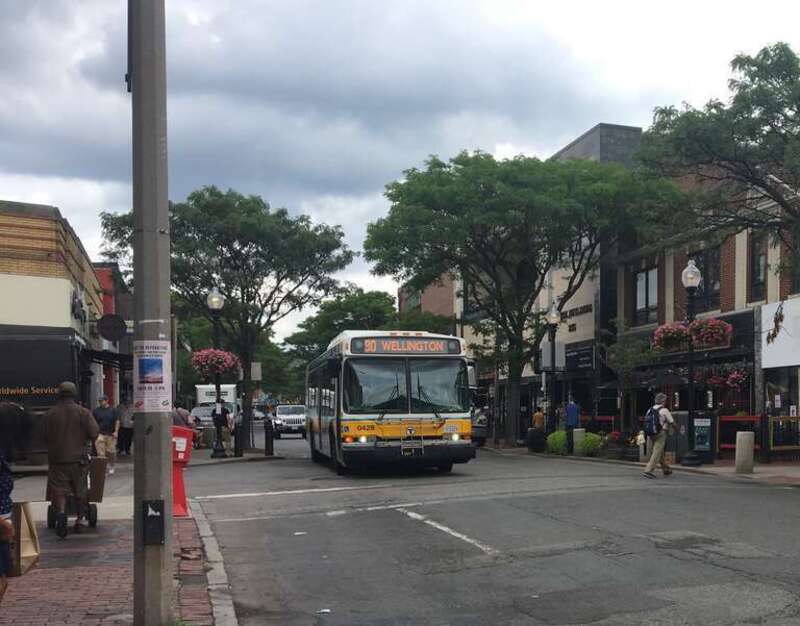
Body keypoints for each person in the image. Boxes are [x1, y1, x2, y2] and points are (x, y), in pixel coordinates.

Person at [43, 382, 99, 537]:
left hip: (57, 460)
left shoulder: (50, 414)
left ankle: (61, 514)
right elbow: (94, 433)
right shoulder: (83, 412)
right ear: (74, 394)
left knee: (59, 490)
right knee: (80, 490)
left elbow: (44, 436)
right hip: (78, 461)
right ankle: (80, 520)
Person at [643, 392, 675, 479]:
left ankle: (666, 469)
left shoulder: (649, 410)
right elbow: (672, 422)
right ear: (663, 401)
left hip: (651, 433)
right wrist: (678, 429)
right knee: (657, 452)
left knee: (659, 452)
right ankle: (648, 471)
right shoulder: (664, 410)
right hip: (661, 433)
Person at [93, 395, 119, 475]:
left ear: (106, 401)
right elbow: (93, 422)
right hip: (100, 434)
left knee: (111, 452)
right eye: (99, 401)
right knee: (100, 453)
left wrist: (116, 431)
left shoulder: (113, 410)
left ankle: (111, 465)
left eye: (102, 401)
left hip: (111, 434)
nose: (100, 402)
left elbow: (117, 421)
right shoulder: (96, 411)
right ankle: (103, 469)